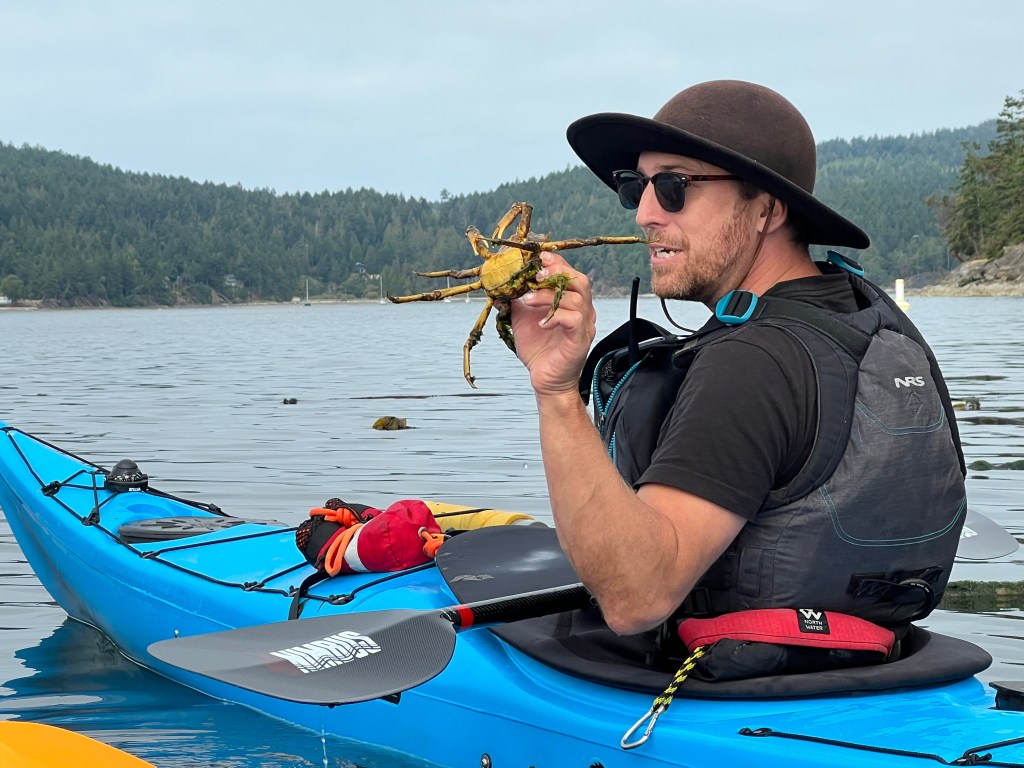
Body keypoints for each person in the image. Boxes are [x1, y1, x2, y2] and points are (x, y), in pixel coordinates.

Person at [509, 80, 967, 640]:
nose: (645, 214)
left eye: (674, 186)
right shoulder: (867, 318)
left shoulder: (752, 361)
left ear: (766, 210)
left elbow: (636, 598)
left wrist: (557, 393)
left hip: (722, 681)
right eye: (636, 187)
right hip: (868, 656)